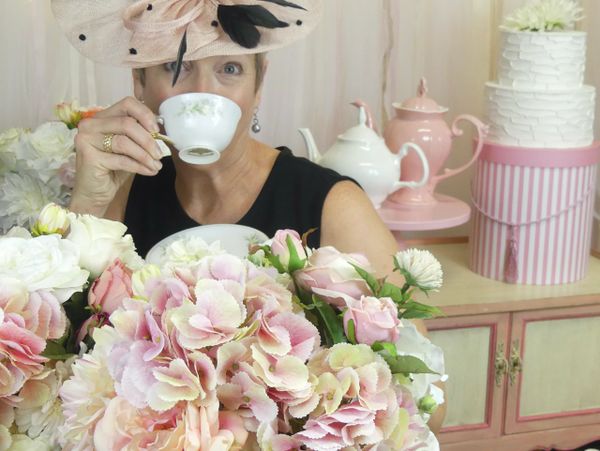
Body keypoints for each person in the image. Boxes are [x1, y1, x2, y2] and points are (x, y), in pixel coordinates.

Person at [52, 0, 445, 433]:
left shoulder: (332, 203)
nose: (203, 92)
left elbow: (428, 400)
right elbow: (60, 358)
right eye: (175, 66)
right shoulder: (123, 191)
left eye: (230, 69)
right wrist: (88, 200)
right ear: (139, 83)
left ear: (259, 86)